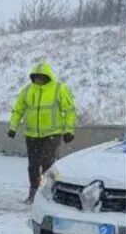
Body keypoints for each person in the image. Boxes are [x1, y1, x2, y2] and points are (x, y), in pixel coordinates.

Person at [7, 60, 77, 203]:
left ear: (47, 76)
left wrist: (69, 130)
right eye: (36, 77)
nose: (38, 80)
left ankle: (47, 193)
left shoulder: (59, 89)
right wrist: (12, 127)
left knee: (47, 164)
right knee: (33, 166)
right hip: (32, 135)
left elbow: (69, 111)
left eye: (41, 77)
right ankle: (33, 192)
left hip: (52, 134)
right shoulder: (27, 90)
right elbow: (18, 110)